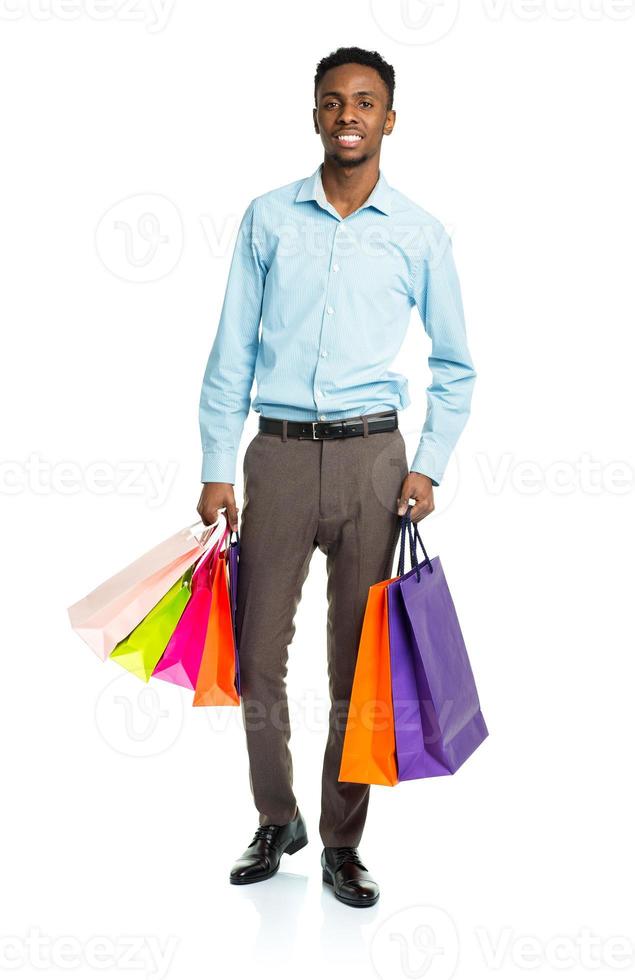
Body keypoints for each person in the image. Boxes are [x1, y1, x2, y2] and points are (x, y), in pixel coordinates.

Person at [196, 46, 476, 908]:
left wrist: (427, 464)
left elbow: (456, 365)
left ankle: (342, 842)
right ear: (314, 115)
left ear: (389, 119)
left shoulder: (419, 232)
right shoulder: (266, 218)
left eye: (364, 101)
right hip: (274, 458)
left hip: (371, 465)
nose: (347, 113)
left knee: (359, 664)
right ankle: (276, 816)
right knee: (253, 654)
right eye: (332, 101)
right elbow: (231, 348)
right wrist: (216, 465)